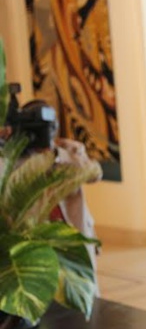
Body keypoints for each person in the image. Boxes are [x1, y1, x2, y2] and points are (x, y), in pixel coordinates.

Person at [21, 100, 103, 280]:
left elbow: (94, 175)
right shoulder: (17, 159)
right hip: (38, 240)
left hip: (74, 233)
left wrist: (58, 155)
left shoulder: (70, 152)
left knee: (83, 292)